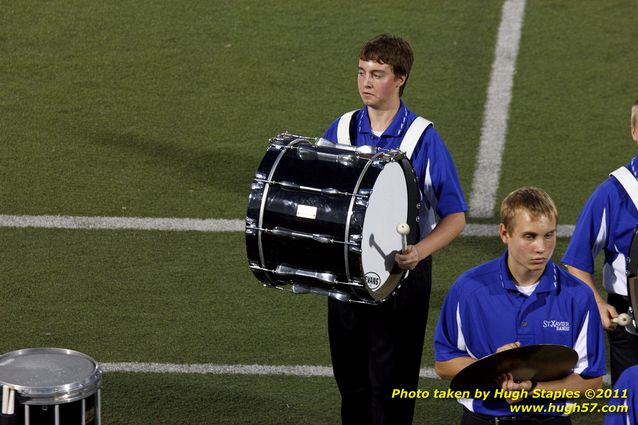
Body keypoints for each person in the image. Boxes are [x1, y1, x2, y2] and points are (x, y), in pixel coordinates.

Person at [322, 34, 467, 424]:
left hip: (402, 280)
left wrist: (419, 252)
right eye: (362, 72)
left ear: (400, 78)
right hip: (348, 279)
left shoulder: (422, 139)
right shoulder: (340, 130)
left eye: (378, 74)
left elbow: (455, 215)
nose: (366, 82)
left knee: (392, 394)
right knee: (351, 387)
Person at [434, 187, 606, 424]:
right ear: (505, 233)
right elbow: (444, 364)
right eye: (529, 236)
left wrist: (532, 388)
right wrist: (493, 366)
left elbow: (592, 382)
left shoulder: (578, 295)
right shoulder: (468, 289)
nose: (541, 248)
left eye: (549, 235)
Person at [561, 99, 638, 384]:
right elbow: (577, 260)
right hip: (629, 319)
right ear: (634, 132)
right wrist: (596, 302)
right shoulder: (613, 194)